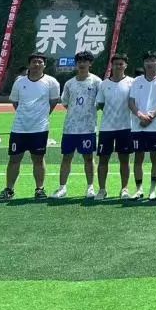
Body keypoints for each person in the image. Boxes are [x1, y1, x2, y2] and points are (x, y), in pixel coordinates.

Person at [0, 53, 60, 200]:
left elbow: (53, 102)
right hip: (19, 128)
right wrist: (25, 115)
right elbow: (15, 103)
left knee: (38, 160)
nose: (36, 64)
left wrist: (41, 115)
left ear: (44, 65)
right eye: (34, 62)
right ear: (29, 64)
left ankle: (39, 189)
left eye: (40, 62)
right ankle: (9, 189)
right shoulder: (19, 82)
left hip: (39, 129)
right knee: (14, 160)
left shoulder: (51, 82)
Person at [52, 51, 101, 199]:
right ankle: (62, 188)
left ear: (90, 63)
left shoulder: (97, 82)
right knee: (66, 157)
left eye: (85, 61)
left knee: (88, 158)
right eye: (79, 61)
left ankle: (90, 187)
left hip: (88, 128)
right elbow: (66, 103)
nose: (82, 64)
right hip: (70, 128)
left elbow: (100, 103)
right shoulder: (69, 83)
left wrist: (87, 114)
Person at [128, 51, 156, 200]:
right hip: (138, 125)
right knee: (138, 158)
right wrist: (140, 115)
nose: (149, 63)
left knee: (154, 158)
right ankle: (139, 189)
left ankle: (153, 190)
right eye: (147, 60)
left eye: (152, 60)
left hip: (155, 126)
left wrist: (151, 116)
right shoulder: (136, 80)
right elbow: (131, 102)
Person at [95, 54, 135, 200]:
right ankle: (102, 190)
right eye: (116, 64)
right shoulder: (104, 84)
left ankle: (124, 189)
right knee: (103, 160)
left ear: (125, 65)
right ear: (111, 65)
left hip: (126, 127)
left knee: (124, 160)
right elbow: (100, 104)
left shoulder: (132, 82)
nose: (118, 66)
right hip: (106, 128)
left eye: (121, 64)